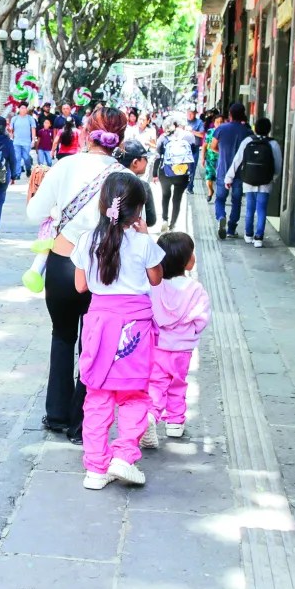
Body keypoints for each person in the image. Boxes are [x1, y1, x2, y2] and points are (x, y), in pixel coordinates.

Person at [25, 107, 128, 444]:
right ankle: (82, 423)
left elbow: (35, 213)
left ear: (86, 133)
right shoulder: (126, 177)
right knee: (93, 344)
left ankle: (56, 414)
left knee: (62, 336)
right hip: (104, 269)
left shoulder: (65, 166)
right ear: (120, 139)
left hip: (63, 262)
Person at [73, 171, 164, 489]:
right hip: (135, 329)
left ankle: (96, 469)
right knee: (133, 393)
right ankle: (124, 456)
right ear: (138, 210)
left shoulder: (87, 241)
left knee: (97, 395)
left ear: (103, 204)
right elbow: (156, 279)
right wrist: (146, 235)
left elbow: (81, 286)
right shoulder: (143, 243)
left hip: (99, 325)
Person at [148, 231, 209, 441]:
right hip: (182, 349)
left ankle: (151, 414)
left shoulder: (155, 285)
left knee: (156, 383)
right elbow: (202, 318)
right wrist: (191, 332)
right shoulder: (195, 289)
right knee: (178, 383)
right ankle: (175, 422)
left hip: (158, 346)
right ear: (188, 261)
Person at [223, 116, 283, 246]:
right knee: (261, 209)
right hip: (265, 182)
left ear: (255, 128)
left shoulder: (247, 141)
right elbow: (278, 165)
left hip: (248, 180)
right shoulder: (273, 144)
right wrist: (273, 178)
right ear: (269, 129)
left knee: (249, 208)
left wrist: (229, 177)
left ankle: (248, 235)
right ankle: (259, 238)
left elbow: (237, 160)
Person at [211, 103, 251, 240]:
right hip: (240, 173)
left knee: (220, 199)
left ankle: (221, 217)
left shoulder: (221, 128)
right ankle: (231, 229)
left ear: (230, 115)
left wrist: (222, 152)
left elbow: (213, 146)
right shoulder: (247, 132)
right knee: (236, 201)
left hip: (223, 170)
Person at [156, 118, 196, 231]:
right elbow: (193, 152)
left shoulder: (163, 138)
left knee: (165, 195)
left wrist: (154, 173)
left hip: (166, 171)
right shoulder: (188, 136)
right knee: (177, 199)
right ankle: (172, 224)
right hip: (182, 173)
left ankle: (164, 219)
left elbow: (158, 155)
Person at [11, 102, 36, 177]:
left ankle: (28, 169)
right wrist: (11, 137)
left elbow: (33, 129)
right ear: (19, 109)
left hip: (26, 142)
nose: (23, 109)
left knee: (26, 158)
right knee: (17, 158)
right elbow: (11, 129)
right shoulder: (14, 118)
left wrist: (33, 140)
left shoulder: (30, 118)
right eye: (22, 108)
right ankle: (17, 174)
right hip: (16, 142)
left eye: (25, 108)